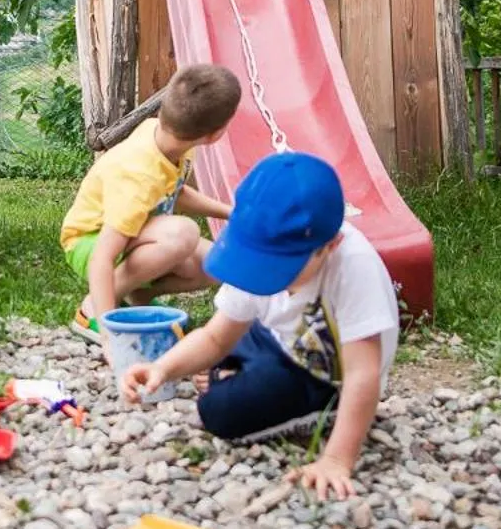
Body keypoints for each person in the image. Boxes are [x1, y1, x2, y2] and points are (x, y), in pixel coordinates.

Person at [119, 151, 399, 501]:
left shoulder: (354, 267)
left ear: (330, 245)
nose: (264, 274)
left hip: (324, 372)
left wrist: (336, 460)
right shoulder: (256, 248)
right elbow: (215, 336)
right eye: (258, 262)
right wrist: (163, 368)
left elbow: (363, 374)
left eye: (278, 267)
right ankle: (238, 367)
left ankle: (271, 388)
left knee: (218, 412)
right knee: (218, 349)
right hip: (276, 335)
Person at [59, 63, 243, 342]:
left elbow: (175, 193)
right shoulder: (137, 176)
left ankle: (139, 296)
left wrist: (231, 213)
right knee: (183, 234)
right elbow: (102, 258)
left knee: (221, 262)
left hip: (135, 234)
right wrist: (110, 339)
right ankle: (93, 311)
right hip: (89, 241)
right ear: (216, 134)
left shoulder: (166, 136)